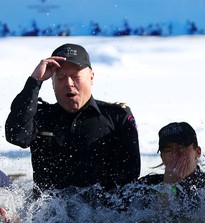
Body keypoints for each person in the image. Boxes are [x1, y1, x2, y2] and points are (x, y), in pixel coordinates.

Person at [5, 43, 140, 190]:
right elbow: (16, 135)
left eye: (76, 76)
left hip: (101, 209)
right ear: (52, 83)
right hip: (49, 210)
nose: (69, 84)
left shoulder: (116, 116)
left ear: (91, 78)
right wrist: (34, 81)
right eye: (61, 78)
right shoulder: (41, 116)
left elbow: (129, 176)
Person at [134, 122, 205, 211]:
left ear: (197, 152)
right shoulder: (146, 186)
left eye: (181, 147)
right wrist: (168, 186)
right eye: (168, 150)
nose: (175, 155)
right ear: (162, 157)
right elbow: (152, 219)